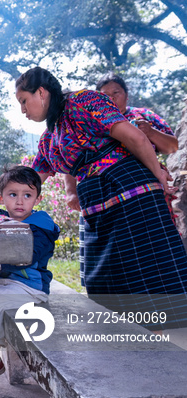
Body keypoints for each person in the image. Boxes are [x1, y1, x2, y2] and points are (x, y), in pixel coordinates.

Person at [16, 66, 187, 329]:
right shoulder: (49, 137)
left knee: (148, 271)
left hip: (131, 194)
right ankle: (127, 342)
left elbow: (136, 138)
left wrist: (159, 178)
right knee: (104, 280)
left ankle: (174, 343)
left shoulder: (84, 101)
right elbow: (30, 181)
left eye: (24, 101)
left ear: (41, 92)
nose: (23, 110)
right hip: (96, 207)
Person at [62, 73, 179, 286]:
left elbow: (174, 147)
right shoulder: (87, 121)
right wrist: (71, 191)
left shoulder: (143, 116)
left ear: (126, 94)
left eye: (116, 93)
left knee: (155, 252)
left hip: (147, 196)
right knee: (110, 258)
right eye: (105, 94)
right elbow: (68, 159)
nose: (112, 98)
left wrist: (149, 132)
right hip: (100, 199)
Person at [0, 165, 60, 385]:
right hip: (4, 284)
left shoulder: (41, 225)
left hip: (30, 290)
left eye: (27, 195)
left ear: (37, 200)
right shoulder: (0, 222)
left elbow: (29, 254)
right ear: (1, 198)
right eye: (13, 195)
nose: (20, 202)